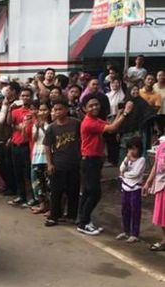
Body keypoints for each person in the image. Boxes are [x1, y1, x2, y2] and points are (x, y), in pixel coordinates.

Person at [77, 94, 133, 235]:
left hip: (93, 160)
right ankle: (83, 223)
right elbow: (112, 129)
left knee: (88, 192)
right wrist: (125, 113)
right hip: (90, 160)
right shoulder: (89, 122)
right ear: (84, 109)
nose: (95, 107)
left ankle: (83, 220)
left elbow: (109, 125)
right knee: (95, 193)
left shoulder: (95, 120)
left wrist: (119, 114)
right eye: (91, 105)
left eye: (96, 104)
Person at [44, 97, 82, 227]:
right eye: (55, 110)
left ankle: (72, 215)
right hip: (58, 164)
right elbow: (47, 147)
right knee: (56, 192)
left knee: (73, 191)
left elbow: (82, 140)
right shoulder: (51, 128)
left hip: (74, 163)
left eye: (60, 109)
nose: (58, 112)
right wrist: (49, 164)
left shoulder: (76, 124)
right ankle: (54, 216)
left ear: (66, 110)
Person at [7, 87, 35, 207]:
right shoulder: (15, 111)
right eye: (23, 95)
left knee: (28, 173)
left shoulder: (34, 112)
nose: (25, 98)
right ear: (20, 97)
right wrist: (9, 109)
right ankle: (21, 196)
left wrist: (21, 126)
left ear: (31, 97)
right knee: (17, 172)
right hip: (15, 145)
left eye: (27, 95)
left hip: (27, 146)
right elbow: (9, 123)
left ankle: (31, 197)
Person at [115, 137, 146, 243]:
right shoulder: (127, 158)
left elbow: (135, 174)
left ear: (139, 149)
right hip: (125, 187)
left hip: (135, 188)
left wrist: (124, 174)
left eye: (134, 149)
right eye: (130, 149)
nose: (132, 151)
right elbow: (120, 168)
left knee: (135, 210)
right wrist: (127, 160)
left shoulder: (141, 160)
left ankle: (135, 233)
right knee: (125, 209)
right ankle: (126, 231)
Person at [143, 137, 165, 251]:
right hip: (161, 185)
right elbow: (156, 165)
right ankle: (164, 240)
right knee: (162, 215)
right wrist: (148, 182)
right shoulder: (162, 146)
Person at [30, 101, 51, 214]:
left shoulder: (51, 125)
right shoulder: (35, 124)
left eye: (45, 109)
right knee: (39, 183)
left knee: (48, 183)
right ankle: (42, 205)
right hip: (37, 156)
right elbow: (34, 139)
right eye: (41, 110)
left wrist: (43, 128)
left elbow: (49, 140)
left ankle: (51, 207)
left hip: (47, 157)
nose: (42, 112)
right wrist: (38, 128)